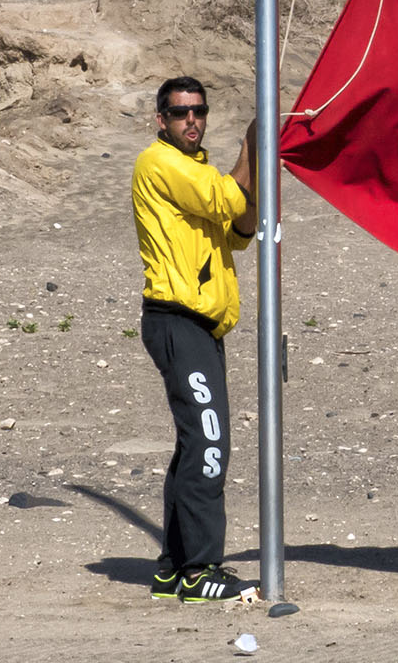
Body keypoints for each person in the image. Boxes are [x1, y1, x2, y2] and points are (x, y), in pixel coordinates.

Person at [132, 76, 259, 603]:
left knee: (194, 445)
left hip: (201, 328)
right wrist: (256, 141)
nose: (192, 120)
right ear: (161, 119)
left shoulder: (198, 169)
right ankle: (201, 570)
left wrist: (261, 162)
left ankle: (172, 570)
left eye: (199, 111)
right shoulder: (160, 164)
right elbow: (227, 197)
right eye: (181, 112)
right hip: (176, 320)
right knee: (210, 443)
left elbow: (240, 229)